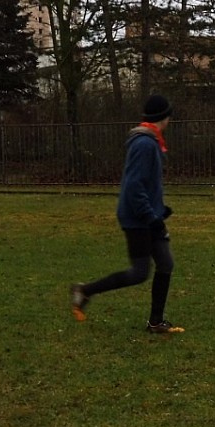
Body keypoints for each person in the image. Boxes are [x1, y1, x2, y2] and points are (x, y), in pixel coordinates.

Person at [70, 94, 184, 333]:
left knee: (165, 263)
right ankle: (85, 290)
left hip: (150, 216)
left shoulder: (150, 141)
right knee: (139, 272)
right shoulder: (144, 144)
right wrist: (151, 217)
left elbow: (147, 185)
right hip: (137, 218)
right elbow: (134, 187)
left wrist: (160, 210)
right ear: (163, 117)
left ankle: (155, 322)